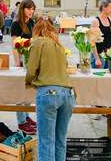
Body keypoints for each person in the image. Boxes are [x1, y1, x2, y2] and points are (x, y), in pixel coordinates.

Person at [25, 17, 75, 161]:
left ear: (36, 30)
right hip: (68, 94)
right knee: (60, 140)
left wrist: (29, 83)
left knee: (46, 141)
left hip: (49, 93)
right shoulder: (59, 45)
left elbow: (31, 69)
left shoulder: (37, 42)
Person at [10, 0, 37, 135]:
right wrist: (17, 63)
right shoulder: (16, 24)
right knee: (20, 92)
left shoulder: (32, 22)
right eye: (29, 9)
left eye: (33, 9)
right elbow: (15, 45)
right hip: (21, 60)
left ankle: (26, 117)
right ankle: (21, 122)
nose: (31, 11)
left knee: (28, 90)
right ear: (22, 9)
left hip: (31, 60)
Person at [92, 0, 111, 69]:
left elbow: (110, 38)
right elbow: (92, 42)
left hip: (110, 54)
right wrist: (97, 59)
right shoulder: (95, 21)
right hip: (99, 55)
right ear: (103, 7)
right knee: (98, 79)